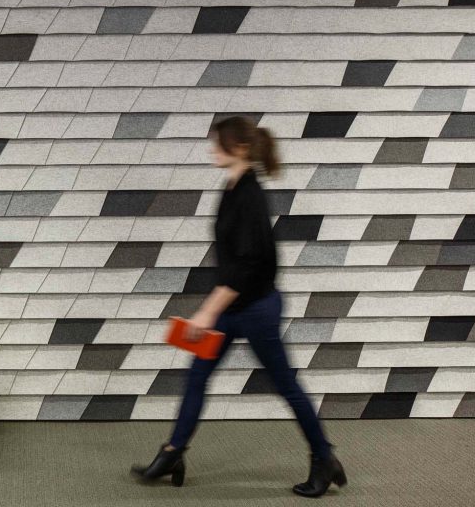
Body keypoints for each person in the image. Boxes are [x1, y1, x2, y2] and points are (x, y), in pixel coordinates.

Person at [130, 116, 347, 498]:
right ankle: (173, 453)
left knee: (286, 386)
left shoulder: (250, 196)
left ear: (240, 148)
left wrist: (208, 311)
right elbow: (231, 261)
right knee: (197, 374)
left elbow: (247, 265)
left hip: (256, 310)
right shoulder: (231, 187)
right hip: (231, 307)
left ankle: (324, 458)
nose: (212, 150)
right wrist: (214, 307)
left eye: (219, 143)